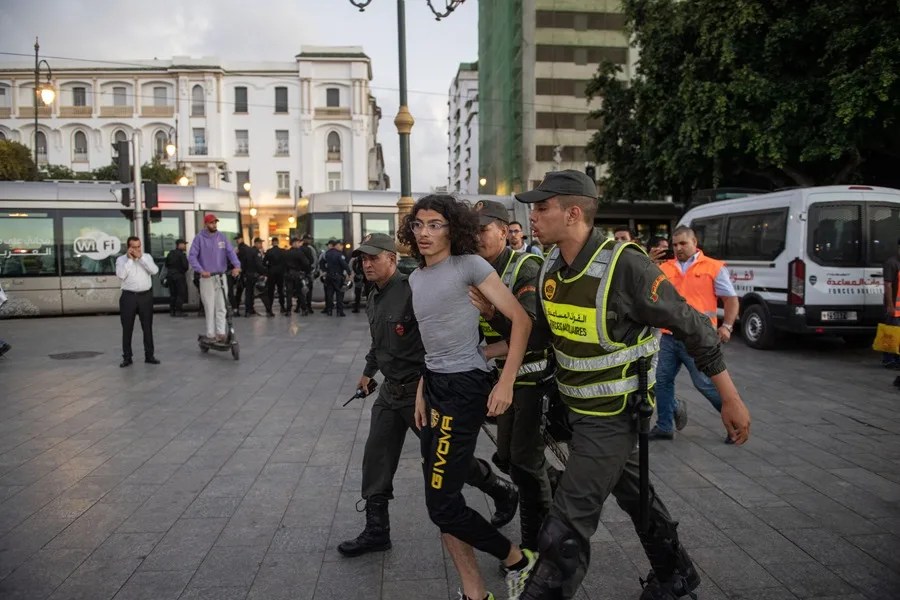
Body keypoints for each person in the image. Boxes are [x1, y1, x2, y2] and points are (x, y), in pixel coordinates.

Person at [514, 169, 751, 599]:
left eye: (541, 207)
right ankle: (674, 574)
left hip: (614, 419)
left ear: (572, 213)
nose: (532, 216)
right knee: (636, 496)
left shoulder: (627, 266)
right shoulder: (552, 265)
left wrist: (729, 400)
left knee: (564, 529)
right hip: (576, 414)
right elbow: (545, 336)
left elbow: (694, 327)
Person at [338, 232, 519, 560]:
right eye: (363, 259)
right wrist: (368, 373)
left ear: (392, 259)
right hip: (390, 394)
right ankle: (377, 530)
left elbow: (441, 335)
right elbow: (378, 343)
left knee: (449, 460)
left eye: (373, 258)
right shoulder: (374, 297)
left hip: (423, 391)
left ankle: (499, 488)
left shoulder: (413, 289)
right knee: (376, 456)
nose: (366, 264)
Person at [398, 194, 538, 600]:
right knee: (442, 495)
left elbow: (522, 321)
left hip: (465, 387)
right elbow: (433, 344)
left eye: (435, 225)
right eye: (419, 225)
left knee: (441, 505)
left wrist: (507, 381)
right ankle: (476, 593)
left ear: (453, 228)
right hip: (437, 384)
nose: (424, 233)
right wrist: (423, 390)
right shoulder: (417, 278)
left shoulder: (470, 267)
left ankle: (517, 559)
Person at [469, 200, 553, 553]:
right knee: (506, 456)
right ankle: (557, 484)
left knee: (524, 463)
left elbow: (531, 332)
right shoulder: (476, 270)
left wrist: (489, 316)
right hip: (504, 379)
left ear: (504, 231)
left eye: (482, 230)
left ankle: (538, 544)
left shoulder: (525, 266)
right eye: (470, 231)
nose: (476, 238)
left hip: (532, 379)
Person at [651, 226, 740, 443]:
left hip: (698, 338)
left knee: (705, 384)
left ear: (694, 242)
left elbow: (730, 299)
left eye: (683, 243)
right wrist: (649, 261)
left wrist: (727, 326)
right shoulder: (666, 267)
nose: (678, 248)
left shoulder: (713, 267)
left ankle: (735, 424)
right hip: (669, 336)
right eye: (674, 244)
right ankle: (664, 426)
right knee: (661, 381)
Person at [188, 214, 241, 343]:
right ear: (206, 224)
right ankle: (211, 334)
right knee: (209, 306)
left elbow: (230, 253)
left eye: (215, 222)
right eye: (211, 223)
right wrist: (201, 270)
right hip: (207, 277)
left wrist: (237, 266)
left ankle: (221, 332)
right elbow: (192, 257)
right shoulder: (199, 238)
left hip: (221, 275)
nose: (214, 225)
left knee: (222, 305)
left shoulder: (221, 237)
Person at [115, 236, 160, 368]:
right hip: (128, 297)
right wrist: (130, 260)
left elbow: (154, 270)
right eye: (134, 247)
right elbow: (121, 275)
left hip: (145, 296)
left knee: (147, 327)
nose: (137, 249)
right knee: (127, 328)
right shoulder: (121, 260)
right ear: (128, 247)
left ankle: (149, 356)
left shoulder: (146, 257)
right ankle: (127, 357)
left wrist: (141, 258)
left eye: (138, 246)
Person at [322, 239, 351, 317]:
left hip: (329, 276)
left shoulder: (327, 253)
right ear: (337, 245)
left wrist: (324, 271)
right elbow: (344, 264)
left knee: (329, 294)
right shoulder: (339, 254)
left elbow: (321, 263)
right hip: (338, 277)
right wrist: (349, 273)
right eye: (341, 246)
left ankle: (329, 311)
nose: (342, 247)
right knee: (339, 294)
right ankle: (339, 311)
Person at [882, 239, 900, 368]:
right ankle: (888, 359)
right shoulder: (892, 263)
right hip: (894, 307)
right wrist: (890, 305)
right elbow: (887, 285)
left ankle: (897, 359)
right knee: (890, 333)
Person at [284, 237, 312, 315]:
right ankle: (303, 309)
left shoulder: (286, 253)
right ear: (294, 243)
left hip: (288, 274)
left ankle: (288, 310)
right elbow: (306, 263)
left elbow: (284, 264)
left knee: (289, 293)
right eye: (298, 242)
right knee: (300, 292)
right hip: (297, 274)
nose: (299, 244)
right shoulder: (299, 253)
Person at [164, 238, 189, 317]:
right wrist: (181, 271)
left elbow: (166, 264)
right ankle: (178, 311)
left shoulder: (170, 253)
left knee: (173, 294)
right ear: (180, 245)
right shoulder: (182, 254)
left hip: (170, 276)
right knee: (180, 293)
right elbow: (186, 266)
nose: (185, 246)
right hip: (179, 276)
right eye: (184, 244)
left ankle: (172, 311)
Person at [265, 236, 286, 315]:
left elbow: (264, 263)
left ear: (272, 242)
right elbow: (285, 262)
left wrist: (268, 268)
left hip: (271, 273)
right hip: (280, 273)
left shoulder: (268, 251)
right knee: (281, 291)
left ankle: (269, 309)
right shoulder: (282, 251)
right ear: (278, 242)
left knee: (270, 291)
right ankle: (282, 307)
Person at [299, 234, 318, 315]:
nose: (310, 241)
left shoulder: (299, 248)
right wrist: (313, 270)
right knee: (309, 290)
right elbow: (314, 260)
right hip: (308, 272)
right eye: (309, 239)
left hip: (300, 272)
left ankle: (301, 307)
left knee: (301, 290)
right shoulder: (310, 249)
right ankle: (308, 307)